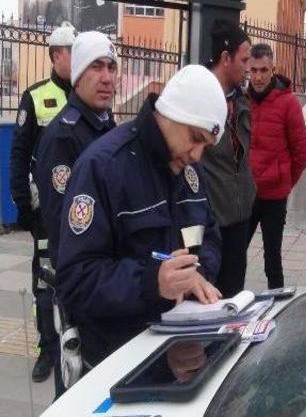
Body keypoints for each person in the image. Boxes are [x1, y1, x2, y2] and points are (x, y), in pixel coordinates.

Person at [55, 65, 226, 368]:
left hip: (179, 354)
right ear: (172, 114)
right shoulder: (103, 167)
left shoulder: (190, 170)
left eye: (206, 147)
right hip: (116, 362)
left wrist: (196, 272)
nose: (198, 155)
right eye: (195, 138)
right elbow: (75, 279)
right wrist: (152, 281)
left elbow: (208, 234)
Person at [9, 21, 75, 384]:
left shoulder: (87, 95)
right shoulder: (35, 97)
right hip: (47, 213)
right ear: (55, 56)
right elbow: (19, 154)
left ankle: (74, 338)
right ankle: (47, 347)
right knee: (45, 281)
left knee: (79, 273)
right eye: (71, 53)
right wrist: (22, 203)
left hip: (80, 212)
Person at [35, 31, 118, 269]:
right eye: (96, 67)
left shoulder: (108, 126)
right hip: (86, 276)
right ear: (79, 75)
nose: (106, 78)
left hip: (111, 268)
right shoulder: (62, 136)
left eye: (111, 68)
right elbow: (61, 222)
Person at [246, 43, 306, 289]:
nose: (259, 77)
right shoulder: (242, 101)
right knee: (236, 254)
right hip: (247, 194)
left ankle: (277, 306)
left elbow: (301, 153)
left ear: (273, 69)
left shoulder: (289, 103)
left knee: (272, 258)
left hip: (274, 196)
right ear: (248, 70)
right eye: (254, 70)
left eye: (264, 70)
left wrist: (284, 181)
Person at [201, 20, 255, 297]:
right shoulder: (199, 100)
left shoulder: (242, 100)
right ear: (225, 58)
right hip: (211, 222)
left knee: (235, 297)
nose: (249, 67)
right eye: (244, 59)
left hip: (240, 217)